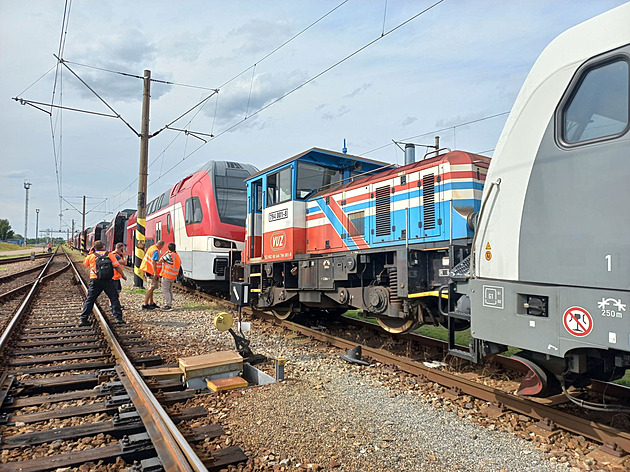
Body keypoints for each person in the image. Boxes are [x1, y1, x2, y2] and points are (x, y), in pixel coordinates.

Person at [79, 240, 127, 325]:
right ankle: (118, 318)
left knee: (90, 299)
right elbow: (117, 266)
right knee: (114, 298)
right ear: (103, 247)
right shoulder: (110, 254)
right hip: (108, 280)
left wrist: (90, 253)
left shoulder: (92, 256)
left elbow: (85, 264)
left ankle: (83, 319)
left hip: (95, 280)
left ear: (94, 248)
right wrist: (123, 275)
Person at [140, 240, 164, 310]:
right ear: (161, 245)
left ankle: (151, 302)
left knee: (150, 287)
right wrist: (155, 273)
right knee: (151, 288)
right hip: (152, 272)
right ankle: (145, 304)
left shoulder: (151, 248)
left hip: (148, 270)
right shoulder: (156, 251)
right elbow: (153, 262)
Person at [159, 242, 181, 311]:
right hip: (173, 276)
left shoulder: (169, 255)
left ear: (169, 249)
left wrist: (166, 253)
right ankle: (170, 303)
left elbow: (160, 260)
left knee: (165, 290)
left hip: (167, 275)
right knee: (169, 290)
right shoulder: (176, 255)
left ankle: (168, 305)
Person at [111, 242, 126, 312]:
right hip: (115, 276)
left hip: (116, 276)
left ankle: (116, 304)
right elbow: (124, 263)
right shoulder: (116, 256)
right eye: (122, 249)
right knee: (115, 292)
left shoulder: (113, 254)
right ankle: (113, 305)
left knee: (117, 291)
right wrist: (124, 255)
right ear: (120, 249)